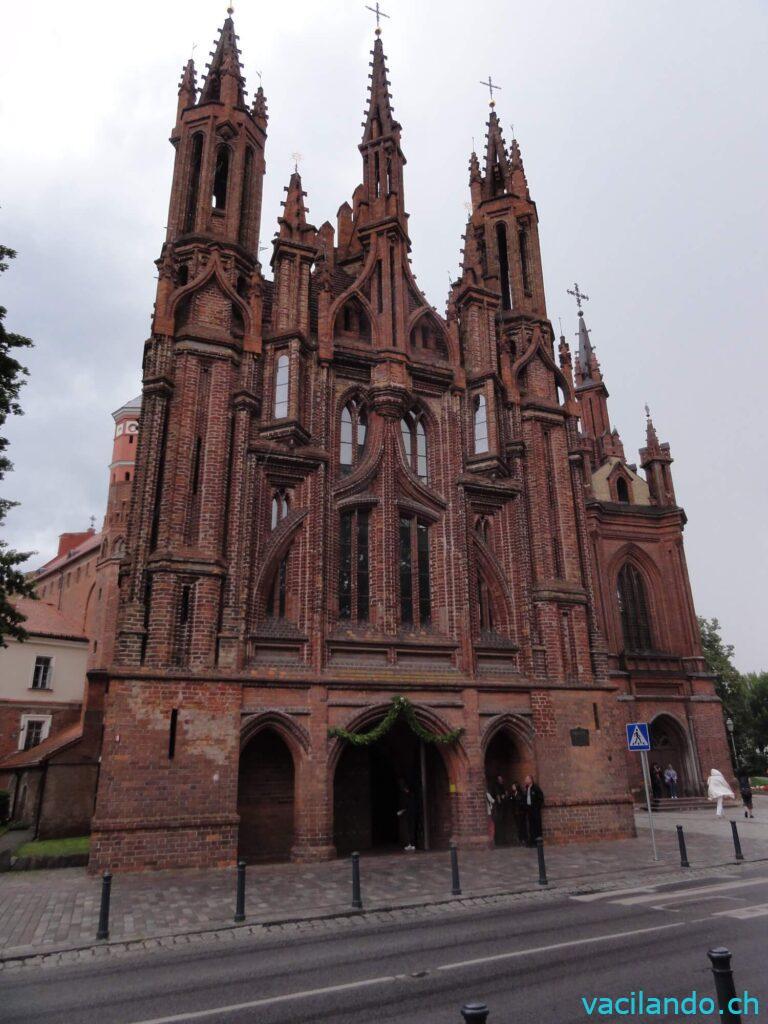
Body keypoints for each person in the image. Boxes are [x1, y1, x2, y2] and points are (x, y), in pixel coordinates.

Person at [397, 778, 418, 851]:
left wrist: (402, 811)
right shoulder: (410, 796)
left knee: (410, 829)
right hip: (410, 814)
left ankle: (411, 844)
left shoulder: (410, 796)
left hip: (410, 814)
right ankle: (410, 844)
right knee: (409, 829)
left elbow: (408, 806)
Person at [523, 774, 544, 846]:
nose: (525, 780)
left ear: (531, 780)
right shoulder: (526, 788)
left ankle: (538, 842)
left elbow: (540, 798)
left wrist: (537, 807)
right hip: (529, 810)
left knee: (536, 825)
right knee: (531, 826)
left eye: (527, 779)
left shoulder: (535, 788)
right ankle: (532, 841)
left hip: (535, 810)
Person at [490, 774, 509, 846]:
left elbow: (504, 795)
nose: (501, 780)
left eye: (501, 779)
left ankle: (502, 840)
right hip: (498, 808)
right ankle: (499, 840)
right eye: (500, 779)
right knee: (499, 824)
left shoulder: (501, 786)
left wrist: (505, 796)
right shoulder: (496, 786)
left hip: (502, 808)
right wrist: (502, 797)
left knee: (502, 824)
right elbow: (498, 798)